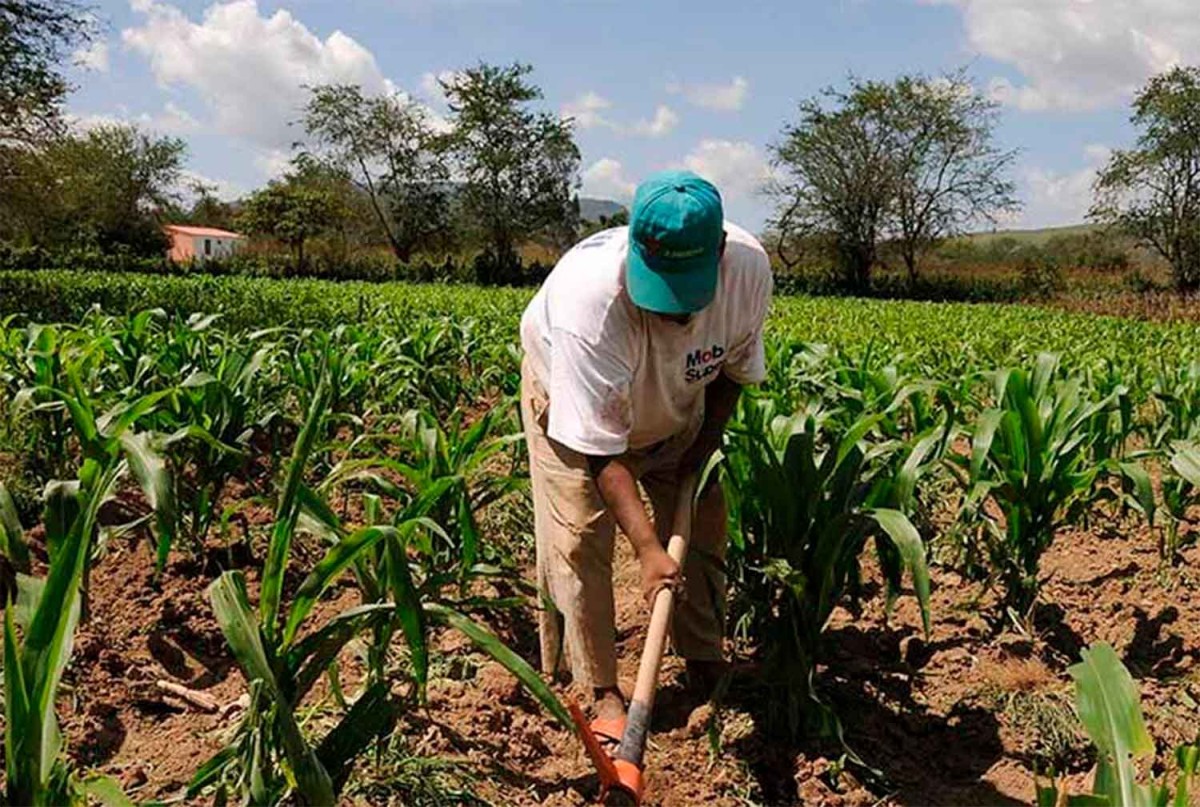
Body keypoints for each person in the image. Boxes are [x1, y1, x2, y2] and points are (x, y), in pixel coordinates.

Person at [518, 169, 773, 742]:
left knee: (704, 514)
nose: (673, 313)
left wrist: (699, 452)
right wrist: (649, 549)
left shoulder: (748, 270)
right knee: (581, 536)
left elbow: (732, 372)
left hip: (680, 404)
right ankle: (603, 689)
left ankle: (703, 654)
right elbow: (600, 454)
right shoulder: (591, 303)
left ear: (720, 256)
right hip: (575, 409)